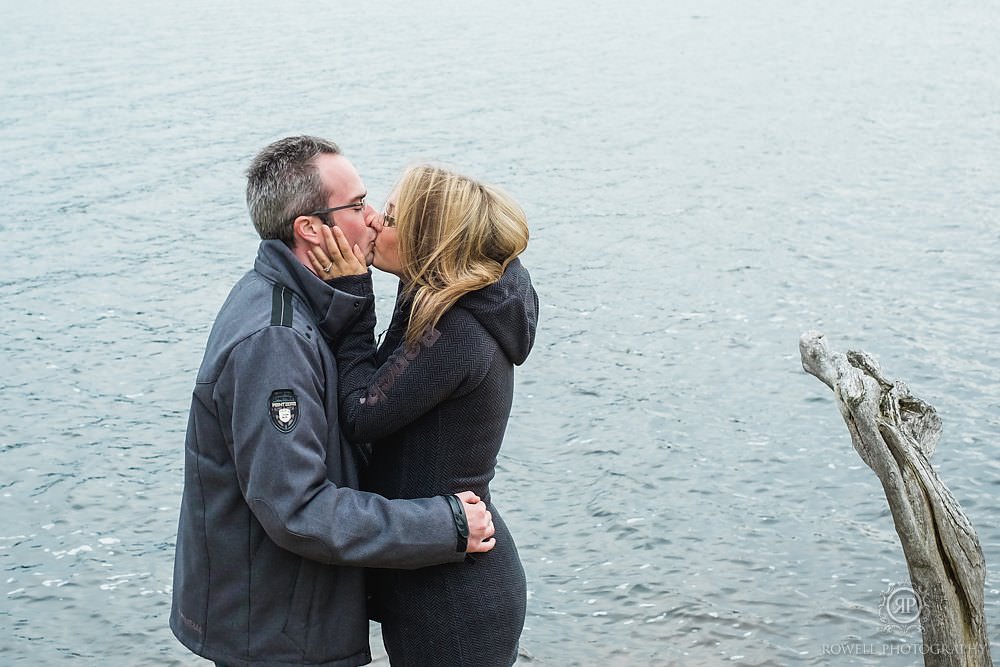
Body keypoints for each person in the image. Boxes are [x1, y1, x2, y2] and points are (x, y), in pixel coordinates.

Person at [170, 137, 497, 667]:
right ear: (310, 228)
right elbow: (296, 508)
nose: (372, 219)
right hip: (280, 637)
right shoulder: (275, 342)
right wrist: (444, 526)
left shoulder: (290, 301)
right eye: (357, 204)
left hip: (285, 617)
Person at [309, 164, 538, 666]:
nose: (372, 224)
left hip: (454, 601)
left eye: (390, 220)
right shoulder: (446, 304)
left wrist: (355, 297)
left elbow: (361, 412)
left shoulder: (453, 331)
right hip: (443, 571)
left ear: (427, 242)